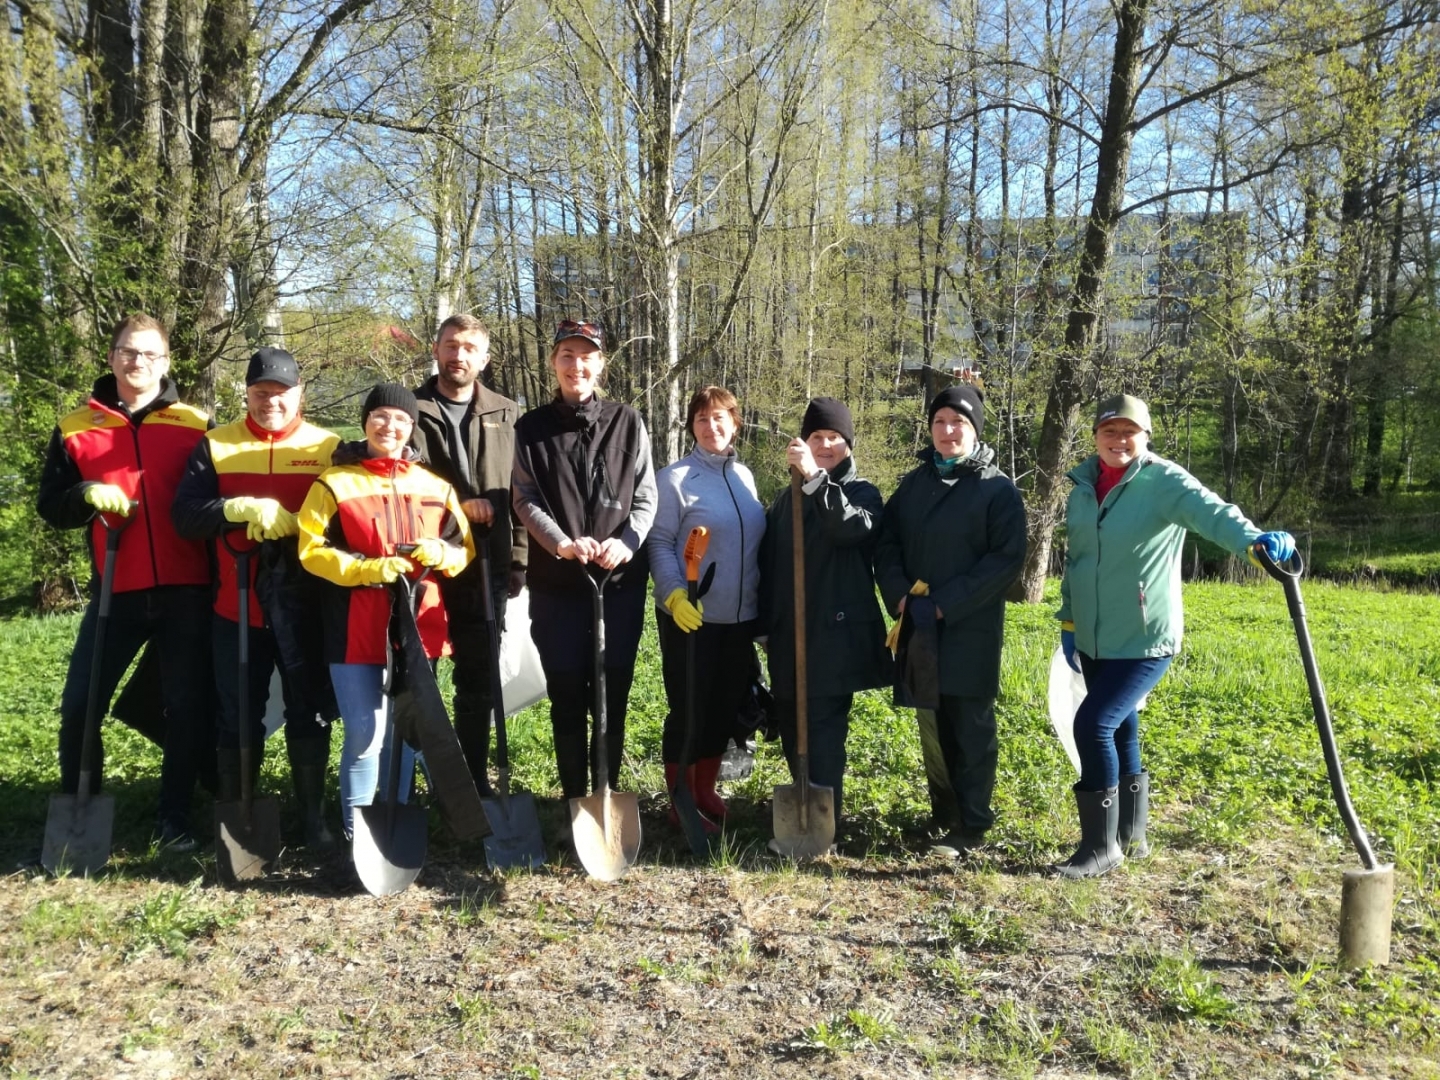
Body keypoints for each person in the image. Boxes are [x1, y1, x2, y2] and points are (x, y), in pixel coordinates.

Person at [1055, 393, 1296, 878]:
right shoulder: (1082, 486)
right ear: (1096, 437)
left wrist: (1254, 542)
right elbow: (1077, 560)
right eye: (1110, 431)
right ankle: (1131, 836)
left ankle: (1099, 849)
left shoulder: (1163, 480)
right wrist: (1069, 620)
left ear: (1145, 437)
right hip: (1095, 636)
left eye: (1130, 432)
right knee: (1122, 728)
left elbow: (1213, 513)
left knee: (1093, 724)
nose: (1119, 440)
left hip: (1145, 637)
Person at [37, 313, 213, 849]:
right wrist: (83, 494)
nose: (138, 362)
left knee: (186, 706)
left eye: (150, 354)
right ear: (111, 356)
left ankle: (175, 816)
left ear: (166, 361)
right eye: (128, 352)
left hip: (188, 590)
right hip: (117, 587)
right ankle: (80, 805)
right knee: (80, 705)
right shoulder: (75, 427)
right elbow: (51, 505)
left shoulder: (195, 424)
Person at [172, 347, 340, 847]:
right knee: (236, 711)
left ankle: (312, 818)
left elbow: (371, 478)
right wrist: (234, 508)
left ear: (299, 395)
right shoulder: (216, 446)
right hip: (235, 605)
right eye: (261, 392)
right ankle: (237, 814)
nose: (272, 401)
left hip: (305, 609)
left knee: (307, 708)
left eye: (281, 393)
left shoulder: (328, 446)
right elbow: (185, 516)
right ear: (246, 393)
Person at [296, 383, 474, 838]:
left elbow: (463, 549)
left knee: (406, 736)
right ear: (366, 421)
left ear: (411, 426)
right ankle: (359, 832)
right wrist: (367, 569)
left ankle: (393, 825)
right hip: (355, 627)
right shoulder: (333, 483)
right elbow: (311, 551)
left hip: (420, 626)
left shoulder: (435, 486)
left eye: (399, 418)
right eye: (380, 415)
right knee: (365, 735)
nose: (389, 426)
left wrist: (441, 553)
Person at [875, 385, 1028, 855]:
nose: (947, 431)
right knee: (932, 723)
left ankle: (974, 825)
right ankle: (943, 814)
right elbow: (887, 544)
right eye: (940, 422)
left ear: (975, 429)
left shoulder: (996, 489)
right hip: (918, 624)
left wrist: (946, 603)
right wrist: (899, 595)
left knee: (969, 725)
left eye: (958, 423)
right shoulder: (914, 485)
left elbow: (1005, 560)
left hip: (968, 629)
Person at [512, 319, 657, 801]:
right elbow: (525, 498)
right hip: (558, 586)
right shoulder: (530, 429)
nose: (577, 364)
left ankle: (607, 792)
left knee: (612, 695)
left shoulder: (628, 421)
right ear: (554, 362)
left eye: (587, 356)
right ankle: (576, 799)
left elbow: (646, 496)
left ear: (600, 364)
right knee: (567, 695)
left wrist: (628, 542)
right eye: (567, 355)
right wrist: (561, 543)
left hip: (618, 587)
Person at [757, 396, 890, 840]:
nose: (827, 444)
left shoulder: (862, 492)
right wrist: (764, 625)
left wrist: (815, 480)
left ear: (848, 444)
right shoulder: (783, 501)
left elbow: (851, 529)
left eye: (835, 437)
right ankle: (802, 805)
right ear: (805, 442)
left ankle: (826, 820)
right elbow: (770, 563)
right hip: (788, 632)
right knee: (793, 721)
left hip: (835, 632)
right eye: (817, 437)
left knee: (825, 727)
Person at [410, 314, 527, 797]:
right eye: (450, 345)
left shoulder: (507, 413)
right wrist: (458, 506)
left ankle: (472, 782)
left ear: (484, 358)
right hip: (425, 564)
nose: (459, 355)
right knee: (419, 678)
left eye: (469, 348)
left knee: (478, 679)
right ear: (435, 349)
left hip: (488, 564)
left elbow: (522, 489)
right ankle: (416, 778)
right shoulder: (410, 410)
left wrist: (518, 557)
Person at [648, 386, 766, 830]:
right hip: (689, 616)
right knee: (688, 707)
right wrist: (673, 594)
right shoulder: (675, 479)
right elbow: (659, 543)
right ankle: (680, 798)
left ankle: (704, 789)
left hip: (738, 620)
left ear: (735, 422)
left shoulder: (745, 477)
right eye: (701, 419)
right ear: (692, 426)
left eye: (719, 418)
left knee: (723, 705)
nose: (711, 426)